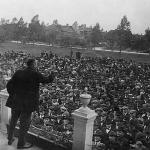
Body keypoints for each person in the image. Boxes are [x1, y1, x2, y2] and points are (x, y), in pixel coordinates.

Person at [6, 58, 57, 149]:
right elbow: (47, 80)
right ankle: (21, 144)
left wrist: (13, 94)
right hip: (27, 104)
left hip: (16, 101)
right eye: (36, 64)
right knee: (24, 124)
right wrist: (53, 73)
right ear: (33, 65)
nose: (37, 65)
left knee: (13, 121)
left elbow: (9, 85)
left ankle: (10, 139)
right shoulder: (35, 74)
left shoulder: (18, 72)